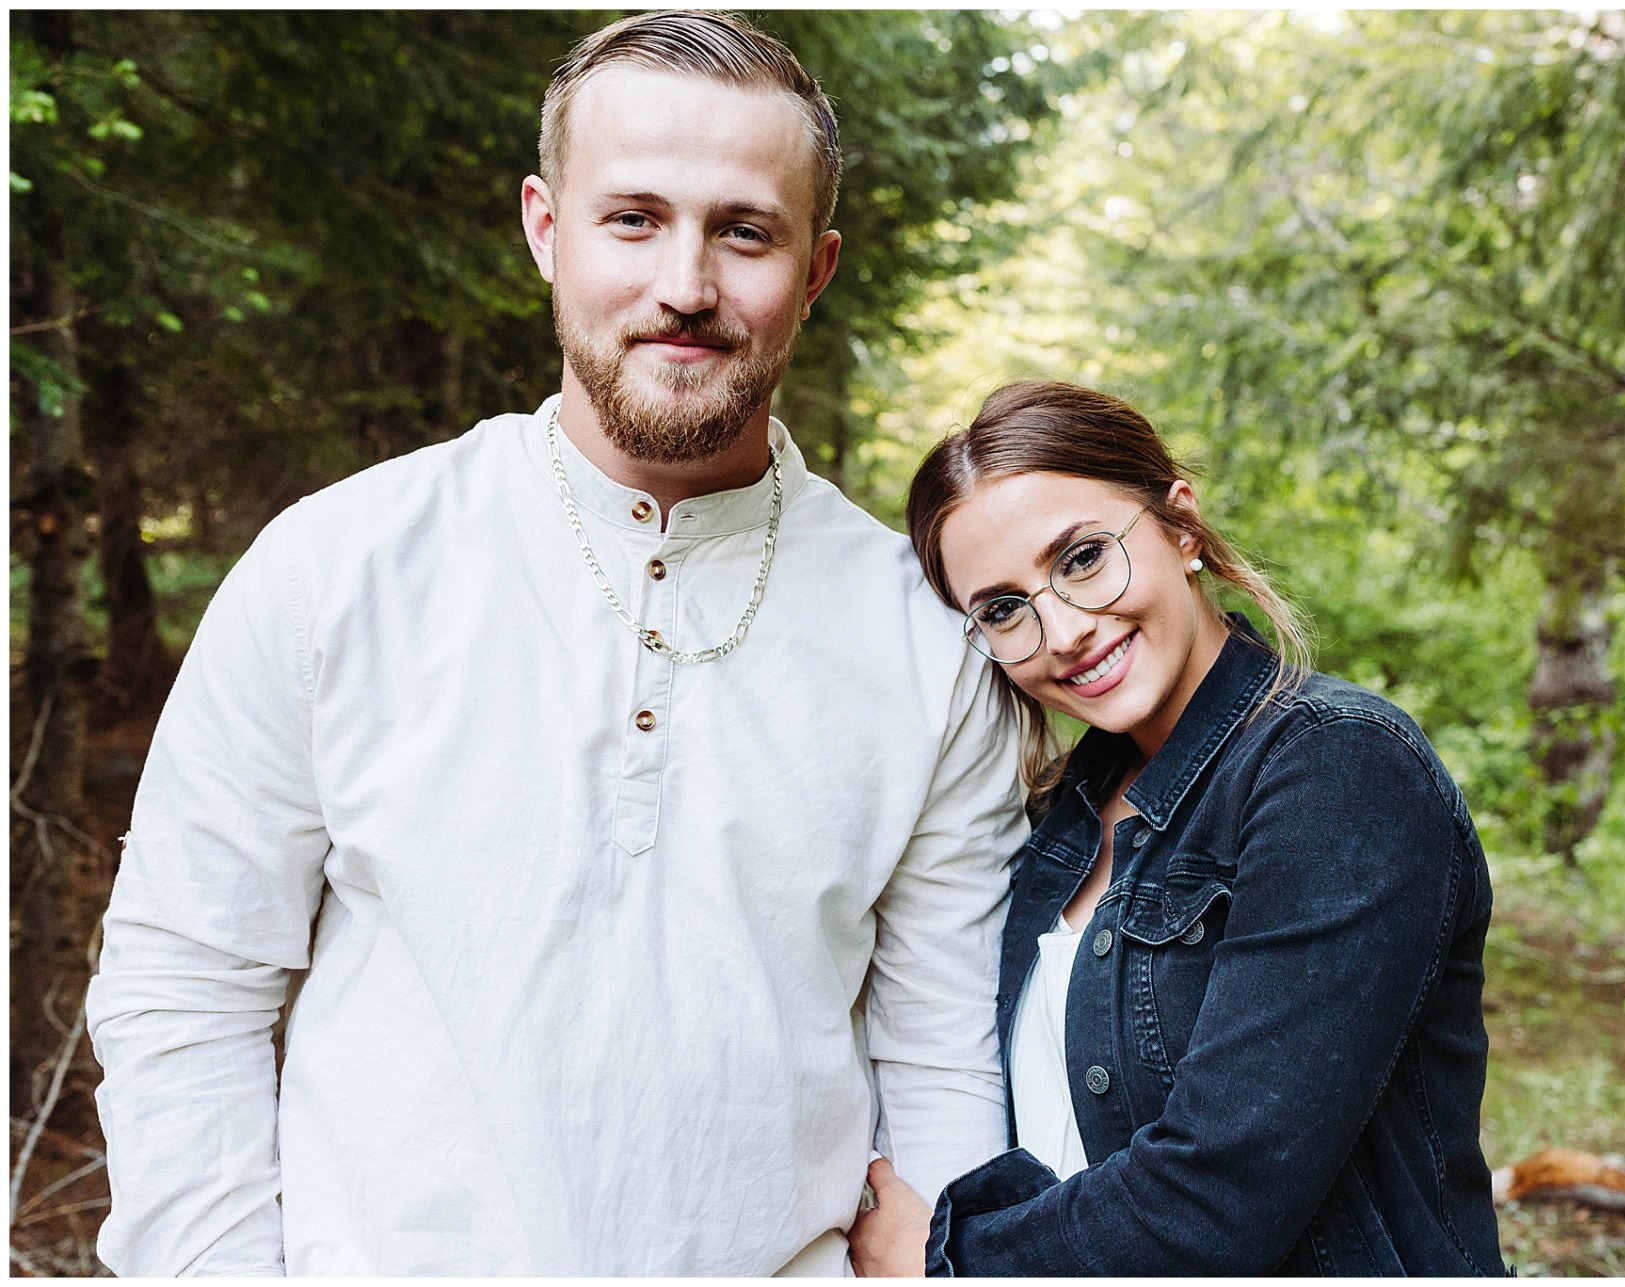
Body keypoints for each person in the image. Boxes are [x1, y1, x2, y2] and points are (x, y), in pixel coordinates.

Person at [85, 12, 1026, 1276]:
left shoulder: (928, 640)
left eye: (744, 230)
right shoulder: (337, 566)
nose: (685, 284)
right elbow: (184, 987)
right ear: (545, 228)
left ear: (815, 269)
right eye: (631, 218)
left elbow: (944, 1062)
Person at [849, 379, 1507, 1276]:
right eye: (1003, 609)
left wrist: (946, 1257)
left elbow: (1218, 1193)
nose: (1064, 630)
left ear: (1181, 527)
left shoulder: (1336, 767)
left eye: (1082, 558)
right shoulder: (1056, 821)